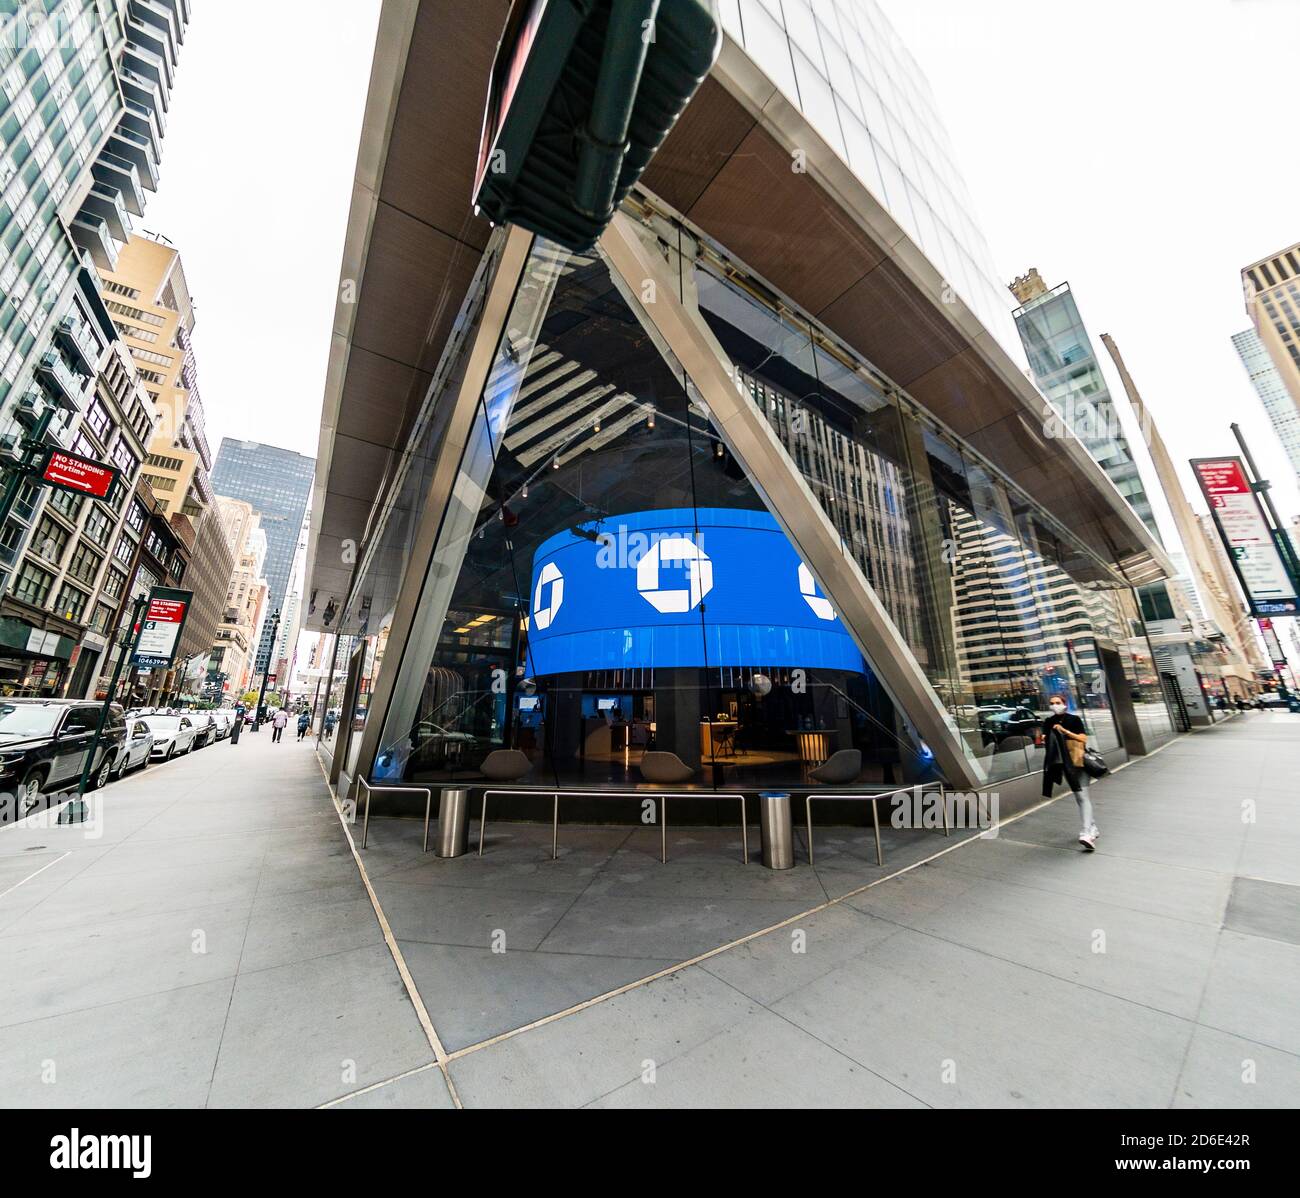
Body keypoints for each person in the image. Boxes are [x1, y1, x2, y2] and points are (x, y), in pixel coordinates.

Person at [1041, 696, 1097, 851]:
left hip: (1078, 762)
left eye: (1058, 703)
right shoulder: (1048, 722)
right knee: (1079, 798)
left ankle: (1087, 833)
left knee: (1082, 796)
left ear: (1064, 705)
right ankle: (1092, 827)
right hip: (1064, 764)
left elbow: (1082, 739)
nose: (1054, 706)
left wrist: (1064, 731)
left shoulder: (1074, 719)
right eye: (1052, 703)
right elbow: (1045, 740)